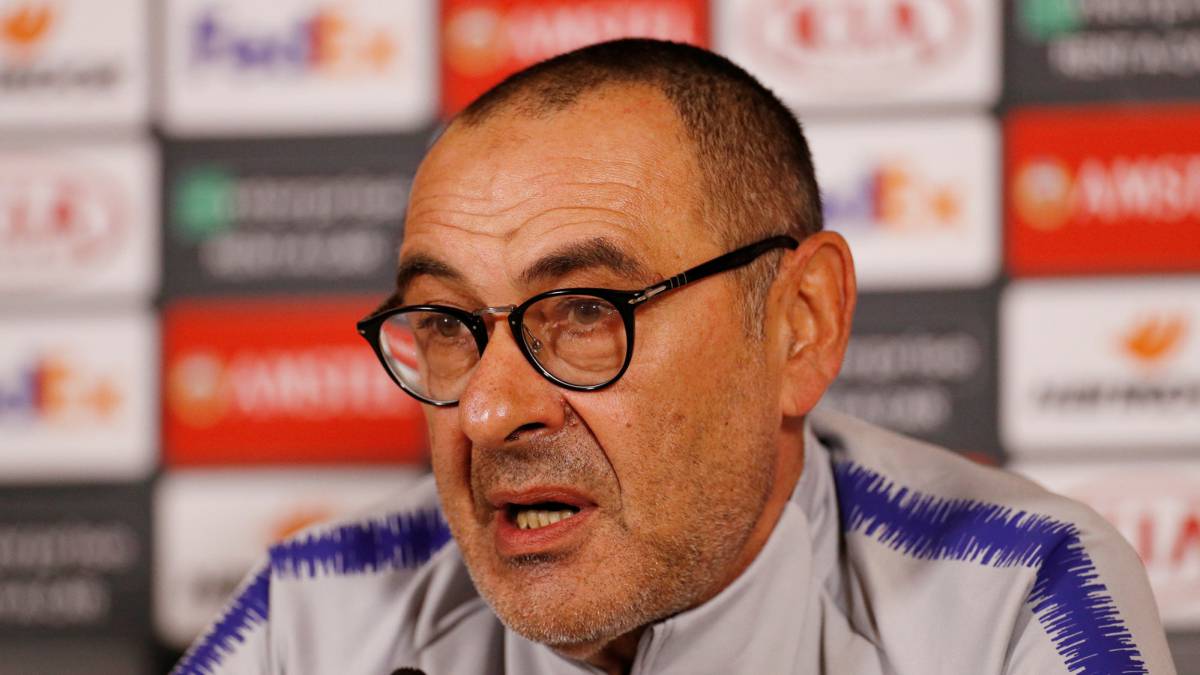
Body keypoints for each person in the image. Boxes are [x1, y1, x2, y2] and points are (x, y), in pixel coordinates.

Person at [173, 39, 1176, 675]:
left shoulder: (1020, 597)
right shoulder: (312, 614)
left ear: (800, 325)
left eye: (584, 311)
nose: (487, 412)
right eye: (444, 322)